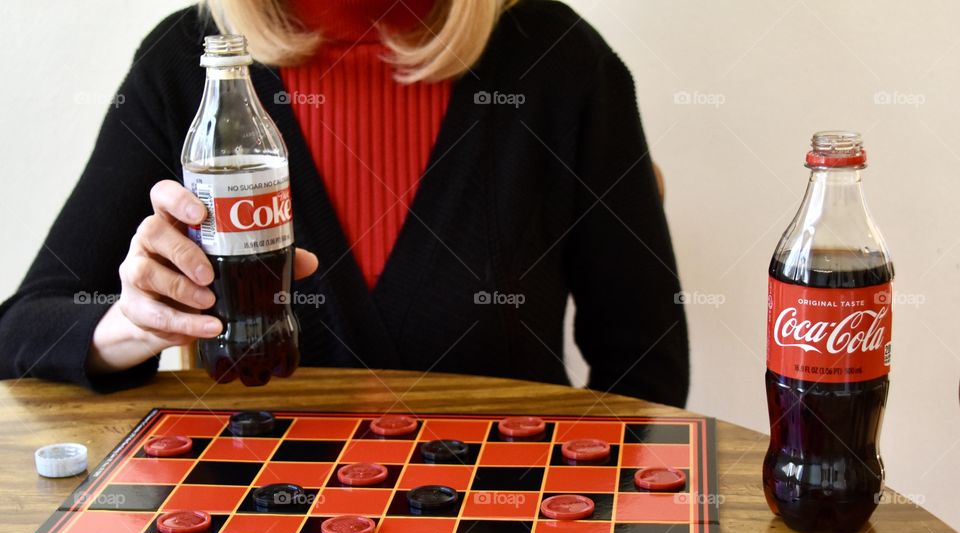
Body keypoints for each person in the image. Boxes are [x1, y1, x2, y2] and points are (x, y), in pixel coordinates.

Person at [0, 0, 689, 406]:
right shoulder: (190, 61)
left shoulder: (560, 61)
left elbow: (647, 362)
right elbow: (21, 330)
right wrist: (133, 326)